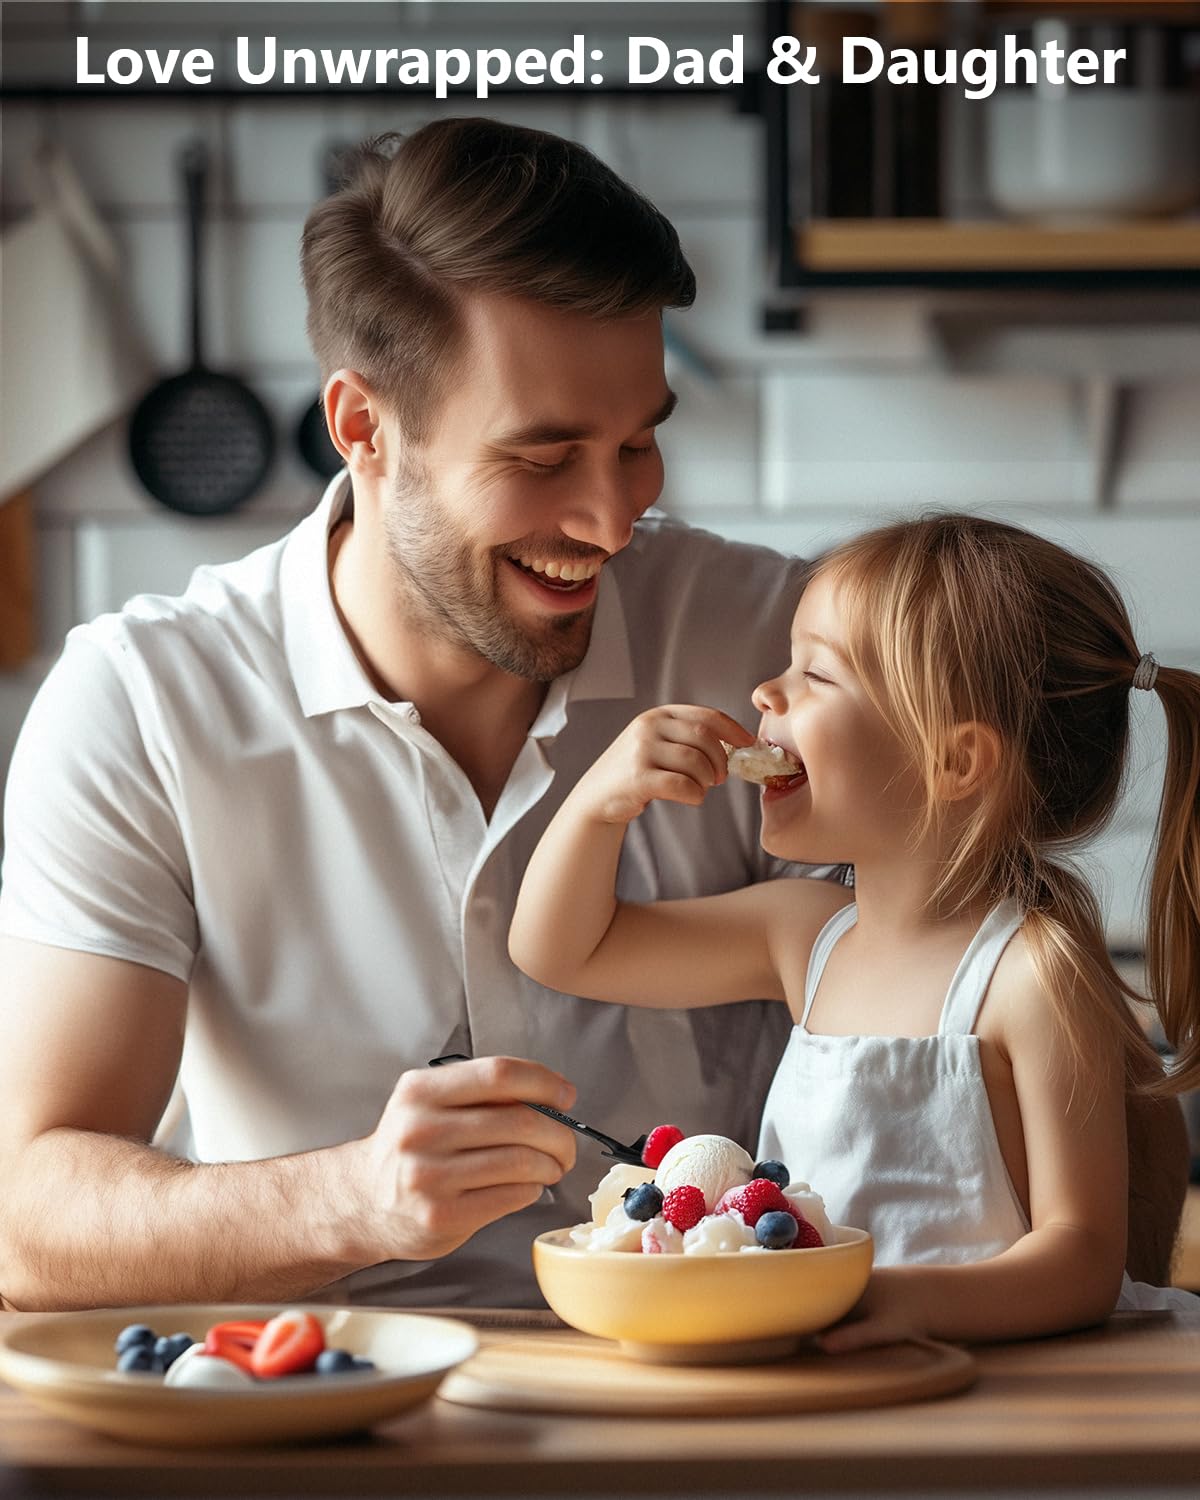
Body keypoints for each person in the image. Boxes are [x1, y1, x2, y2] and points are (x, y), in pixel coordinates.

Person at [0, 117, 853, 1313]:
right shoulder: (143, 704)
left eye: (639, 442)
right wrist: (352, 1199)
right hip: (330, 1420)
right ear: (363, 429)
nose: (613, 520)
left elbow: (992, 1001)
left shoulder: (778, 641)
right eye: (544, 457)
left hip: (728, 1395)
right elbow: (27, 1223)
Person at [509, 512, 1200, 1345]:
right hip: (836, 1368)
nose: (768, 694)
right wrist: (597, 802)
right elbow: (560, 949)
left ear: (953, 762)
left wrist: (890, 1301)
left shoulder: (1029, 975)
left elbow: (1083, 1261)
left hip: (994, 1391)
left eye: (816, 676)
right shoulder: (806, 935)